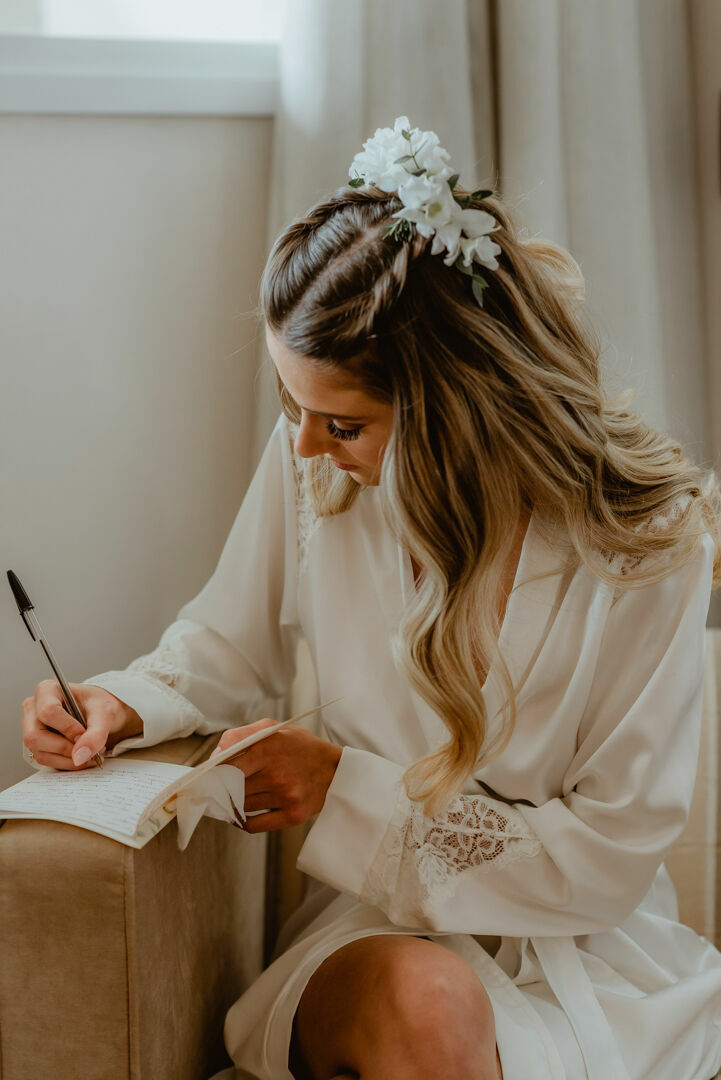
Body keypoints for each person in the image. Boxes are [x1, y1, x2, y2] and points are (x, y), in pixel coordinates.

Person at [21, 117, 721, 1080]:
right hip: (378, 932)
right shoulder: (318, 467)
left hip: (599, 960)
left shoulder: (652, 544)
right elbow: (225, 647)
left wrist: (339, 787)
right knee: (427, 1007)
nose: (306, 444)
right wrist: (121, 703)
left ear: (459, 404)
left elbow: (608, 856)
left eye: (343, 423)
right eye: (291, 406)